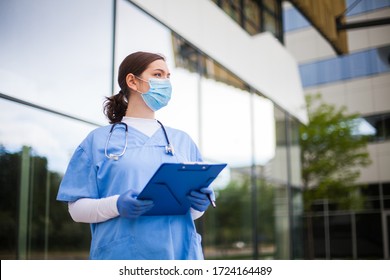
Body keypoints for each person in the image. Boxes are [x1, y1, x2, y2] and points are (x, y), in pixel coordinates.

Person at [56, 51, 214, 260]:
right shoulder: (98, 141)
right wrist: (116, 204)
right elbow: (76, 210)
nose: (166, 82)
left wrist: (198, 205)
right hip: (123, 256)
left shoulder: (182, 141)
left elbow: (191, 214)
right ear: (132, 81)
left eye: (168, 76)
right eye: (158, 75)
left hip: (180, 255)